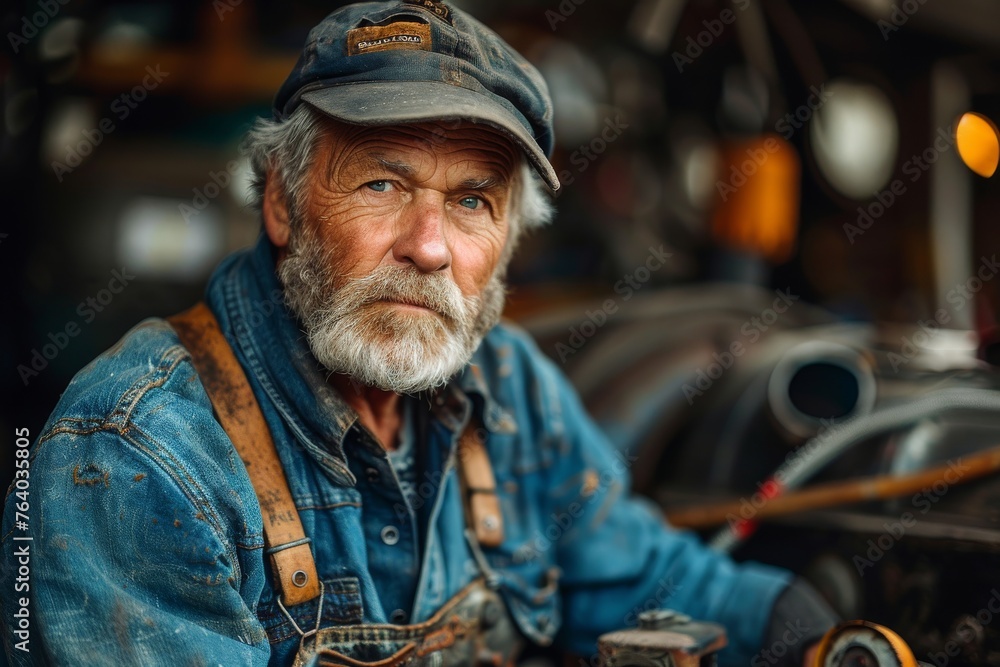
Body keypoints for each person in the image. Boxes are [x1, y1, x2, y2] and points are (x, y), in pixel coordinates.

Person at [1, 1, 838, 665]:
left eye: (472, 201)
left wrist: (800, 627)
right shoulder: (135, 457)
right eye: (382, 182)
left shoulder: (510, 391)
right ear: (282, 203)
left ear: (509, 240)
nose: (429, 246)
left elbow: (641, 577)